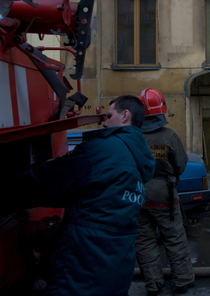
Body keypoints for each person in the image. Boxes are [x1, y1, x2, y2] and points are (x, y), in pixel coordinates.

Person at [0, 95, 155, 296]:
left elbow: (49, 180)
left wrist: (4, 193)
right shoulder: (137, 157)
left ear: (125, 115)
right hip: (118, 266)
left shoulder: (104, 149)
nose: (104, 123)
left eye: (108, 116)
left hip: (83, 266)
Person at [135, 88, 195, 296]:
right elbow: (180, 165)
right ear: (162, 110)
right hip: (164, 194)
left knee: (143, 240)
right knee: (174, 237)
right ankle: (183, 281)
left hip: (138, 193)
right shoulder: (169, 136)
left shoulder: (133, 135)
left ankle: (153, 284)